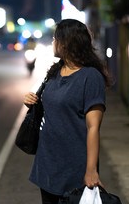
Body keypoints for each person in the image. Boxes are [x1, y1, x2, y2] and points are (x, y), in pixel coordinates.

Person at [23, 19, 112, 204]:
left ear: (68, 42)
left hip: (74, 167)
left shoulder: (91, 77)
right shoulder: (56, 71)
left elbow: (93, 127)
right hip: (48, 163)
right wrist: (32, 101)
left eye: (56, 39)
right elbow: (51, 107)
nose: (53, 42)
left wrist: (91, 170)